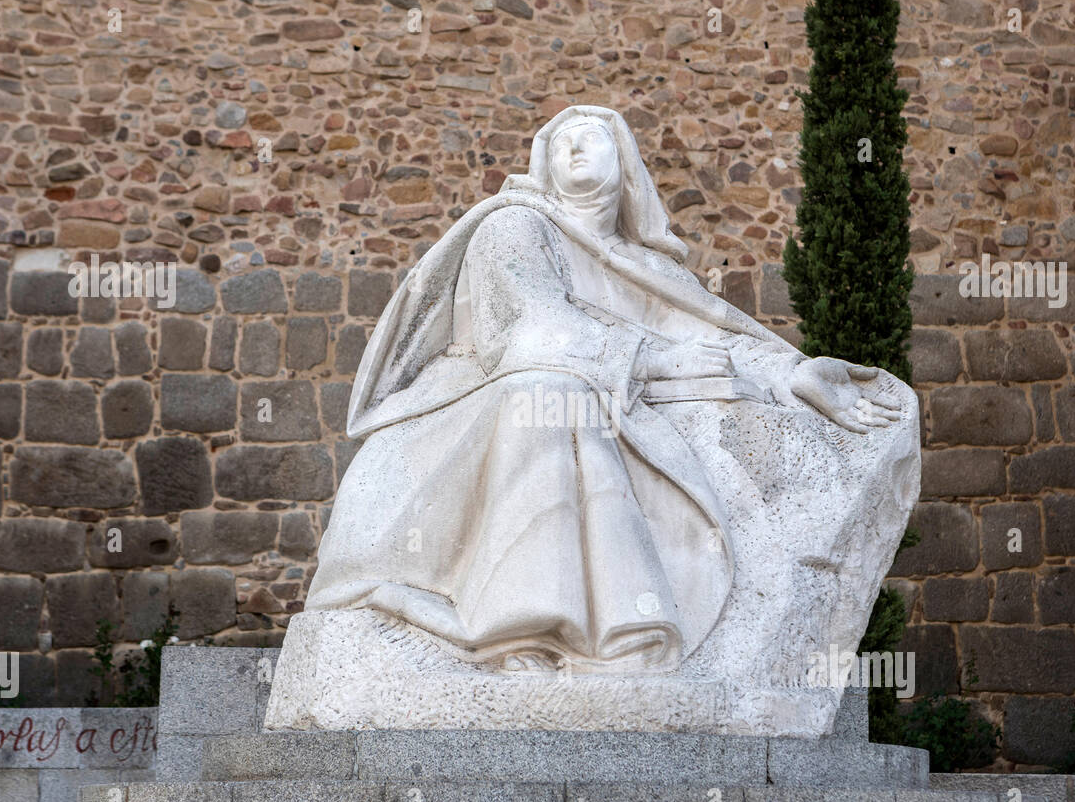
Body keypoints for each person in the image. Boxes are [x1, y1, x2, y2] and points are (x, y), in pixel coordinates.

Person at [307, 105, 901, 674]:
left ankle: (622, 631)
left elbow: (710, 334)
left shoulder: (648, 268)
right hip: (486, 397)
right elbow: (531, 332)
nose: (572, 145)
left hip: (604, 399)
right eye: (560, 142)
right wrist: (659, 361)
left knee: (570, 397)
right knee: (550, 392)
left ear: (625, 167)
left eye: (590, 137)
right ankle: (524, 623)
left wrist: (790, 373)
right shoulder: (514, 226)